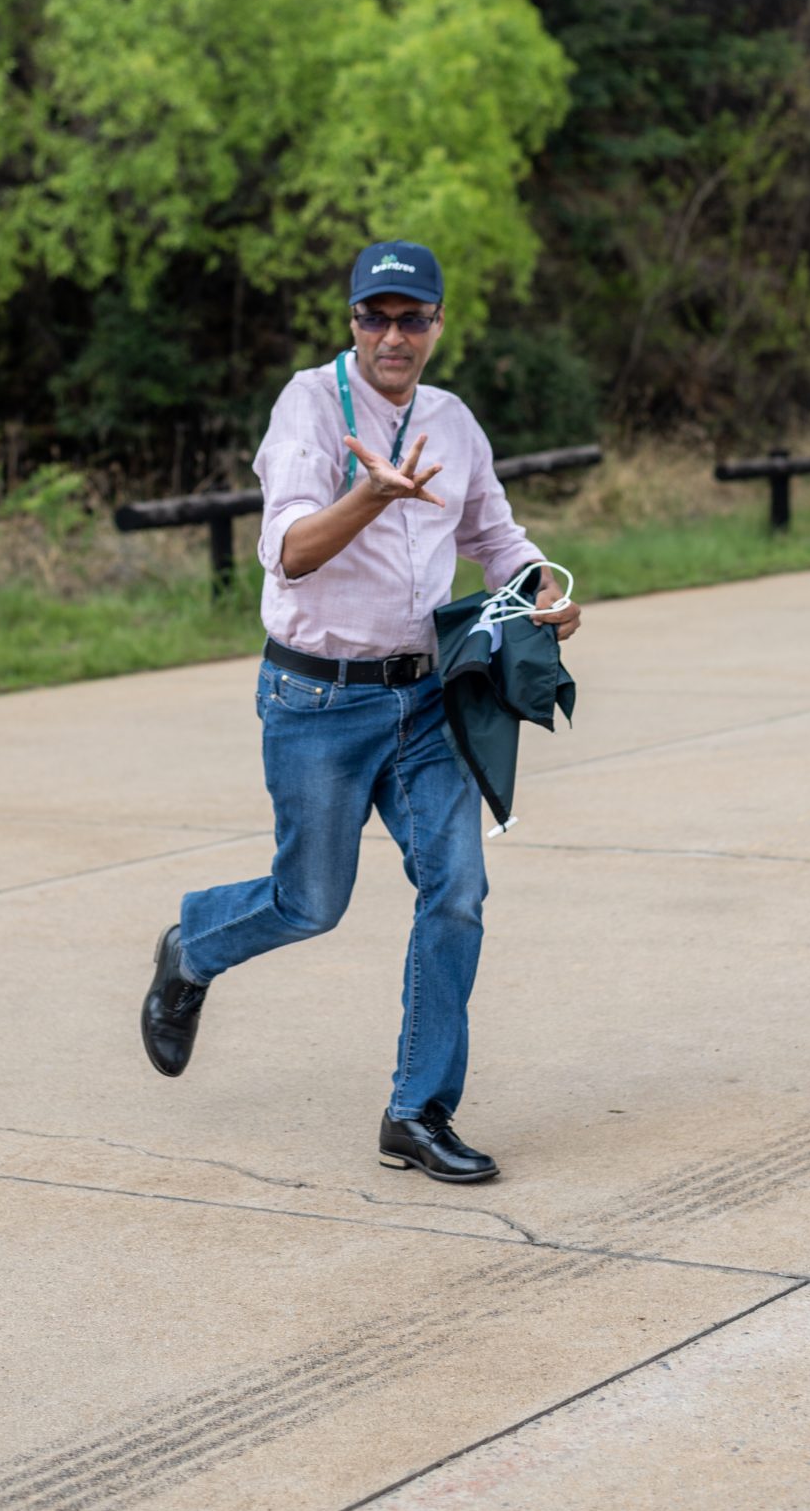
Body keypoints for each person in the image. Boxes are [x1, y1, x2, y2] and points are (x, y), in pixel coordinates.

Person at [140, 240, 581, 1183]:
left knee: (456, 891)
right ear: (351, 322)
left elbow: (494, 537)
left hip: (424, 701)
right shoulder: (308, 407)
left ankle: (416, 1111)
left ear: (436, 324)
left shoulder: (452, 423)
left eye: (410, 317)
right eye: (373, 316)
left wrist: (541, 587)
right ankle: (192, 946)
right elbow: (291, 552)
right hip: (315, 700)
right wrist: (369, 497)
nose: (392, 334)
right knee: (311, 903)